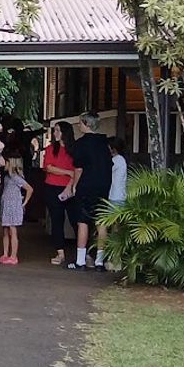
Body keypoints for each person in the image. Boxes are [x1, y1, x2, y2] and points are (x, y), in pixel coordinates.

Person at [59, 113, 112, 270]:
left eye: (81, 123)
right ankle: (99, 261)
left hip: (86, 186)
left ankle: (81, 261)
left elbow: (79, 168)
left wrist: (74, 186)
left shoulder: (81, 144)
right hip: (103, 186)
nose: (79, 125)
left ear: (86, 124)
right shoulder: (104, 143)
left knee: (83, 222)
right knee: (101, 223)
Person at [40, 121, 76, 265]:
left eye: (58, 131)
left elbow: (78, 169)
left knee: (76, 219)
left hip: (71, 187)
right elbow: (48, 167)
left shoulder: (74, 149)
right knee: (57, 220)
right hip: (52, 187)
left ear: (65, 133)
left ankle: (84, 251)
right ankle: (60, 252)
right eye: (54, 130)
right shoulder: (50, 149)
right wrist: (69, 173)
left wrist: (70, 180)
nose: (55, 134)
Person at [96, 137, 128, 270]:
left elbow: (103, 170)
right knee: (115, 228)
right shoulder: (121, 160)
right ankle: (114, 259)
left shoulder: (116, 160)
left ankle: (103, 258)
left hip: (114, 198)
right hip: (119, 197)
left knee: (103, 225)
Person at [0, 158, 34, 265]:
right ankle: (5, 254)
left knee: (13, 231)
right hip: (6, 206)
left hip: (13, 207)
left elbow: (30, 189)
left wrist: (24, 203)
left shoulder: (16, 178)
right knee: (5, 230)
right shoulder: (7, 177)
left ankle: (13, 256)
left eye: (7, 162)